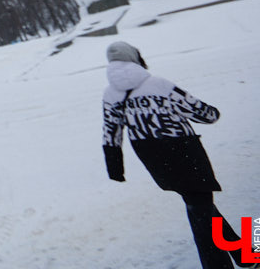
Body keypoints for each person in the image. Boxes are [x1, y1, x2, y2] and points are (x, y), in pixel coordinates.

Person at [101, 41, 247, 267]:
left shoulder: (110, 94)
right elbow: (204, 114)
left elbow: (111, 133)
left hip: (153, 159)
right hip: (184, 152)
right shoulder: (159, 84)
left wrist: (115, 169)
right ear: (135, 58)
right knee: (201, 210)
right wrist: (213, 113)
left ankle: (246, 256)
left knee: (200, 205)